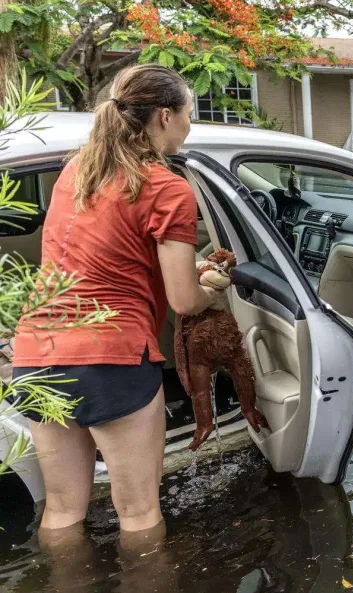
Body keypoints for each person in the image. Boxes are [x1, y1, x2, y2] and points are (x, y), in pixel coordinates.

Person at [12, 64, 222, 538]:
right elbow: (185, 301)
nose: (191, 125)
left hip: (38, 352)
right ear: (165, 117)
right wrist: (213, 288)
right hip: (111, 357)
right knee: (139, 514)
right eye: (190, 113)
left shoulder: (75, 171)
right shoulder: (167, 188)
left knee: (63, 510)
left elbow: (105, 251)